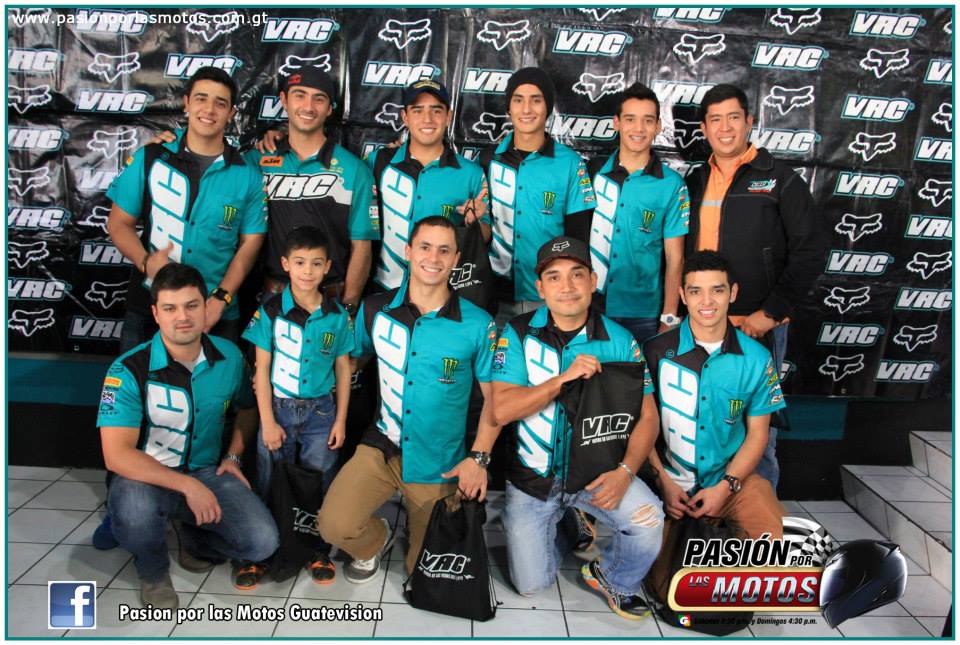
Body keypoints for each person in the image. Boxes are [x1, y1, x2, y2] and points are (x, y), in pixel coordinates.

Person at [317, 216, 500, 582]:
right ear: (408, 251)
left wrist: (479, 459)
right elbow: (353, 360)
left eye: (444, 250)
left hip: (440, 460)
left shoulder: (479, 324)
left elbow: (496, 401)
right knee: (334, 526)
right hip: (383, 447)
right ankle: (379, 539)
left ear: (456, 259)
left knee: (425, 575)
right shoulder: (375, 309)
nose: (433, 258)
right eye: (425, 247)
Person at [490, 236, 664, 620]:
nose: (566, 286)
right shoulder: (516, 333)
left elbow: (648, 418)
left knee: (649, 519)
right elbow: (502, 410)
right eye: (554, 277)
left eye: (577, 275)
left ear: (593, 281)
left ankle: (612, 577)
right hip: (534, 480)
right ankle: (570, 526)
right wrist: (561, 380)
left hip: (596, 476)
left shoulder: (621, 341)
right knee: (531, 585)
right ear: (540, 287)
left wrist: (626, 472)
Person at [96, 263, 278, 609]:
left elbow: (248, 408)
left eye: (191, 305)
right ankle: (152, 571)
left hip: (207, 471)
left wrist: (234, 456)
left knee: (262, 543)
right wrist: (188, 487)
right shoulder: (127, 369)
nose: (182, 317)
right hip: (146, 475)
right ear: (156, 313)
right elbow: (116, 456)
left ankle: (193, 535)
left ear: (206, 307)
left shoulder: (229, 355)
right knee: (134, 514)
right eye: (170, 308)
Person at [684, 83, 826, 489]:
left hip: (756, 327)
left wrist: (771, 312)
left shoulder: (780, 179)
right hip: (701, 326)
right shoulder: (695, 181)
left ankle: (757, 522)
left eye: (733, 117)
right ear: (704, 128)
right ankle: (707, 514)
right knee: (701, 423)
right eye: (715, 120)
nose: (725, 128)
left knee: (758, 432)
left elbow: (811, 249)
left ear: (749, 121)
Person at [642, 250, 786, 601]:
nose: (706, 301)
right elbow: (639, 427)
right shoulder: (654, 351)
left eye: (717, 290)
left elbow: (758, 435)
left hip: (730, 480)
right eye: (696, 291)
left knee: (770, 545)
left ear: (732, 293)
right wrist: (663, 482)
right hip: (669, 485)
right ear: (682, 295)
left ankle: (728, 565)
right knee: (666, 588)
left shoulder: (757, 358)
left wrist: (726, 487)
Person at [106, 66, 267, 348]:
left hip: (215, 313)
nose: (209, 109)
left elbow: (251, 243)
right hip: (150, 307)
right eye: (201, 98)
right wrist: (146, 262)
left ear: (231, 113)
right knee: (139, 378)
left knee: (218, 379)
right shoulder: (151, 156)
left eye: (220, 103)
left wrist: (222, 298)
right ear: (187, 103)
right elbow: (118, 224)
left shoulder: (248, 175)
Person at [240, 226, 353, 586]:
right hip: (278, 410)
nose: (308, 271)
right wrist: (267, 421)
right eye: (300, 262)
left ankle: (315, 549)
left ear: (327, 267)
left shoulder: (337, 315)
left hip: (322, 413)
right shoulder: (269, 311)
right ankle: (261, 553)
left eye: (316, 263)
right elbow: (261, 370)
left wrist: (341, 420)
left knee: (318, 482)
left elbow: (343, 369)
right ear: (286, 264)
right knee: (268, 479)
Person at [247, 68, 379, 315]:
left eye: (319, 98)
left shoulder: (355, 170)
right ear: (284, 100)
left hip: (331, 301)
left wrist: (349, 308)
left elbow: (362, 246)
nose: (308, 106)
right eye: (300, 95)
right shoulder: (257, 161)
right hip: (273, 299)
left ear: (329, 108)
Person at [479, 67, 596, 322]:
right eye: (518, 100)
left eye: (536, 100)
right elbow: (480, 229)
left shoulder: (570, 163)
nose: (526, 109)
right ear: (509, 108)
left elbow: (578, 238)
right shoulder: (489, 159)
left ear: (548, 107)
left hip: (550, 299)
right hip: (494, 297)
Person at [367, 79, 490, 291]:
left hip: (441, 292)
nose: (427, 119)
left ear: (448, 116)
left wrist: (475, 222)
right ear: (405, 117)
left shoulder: (472, 173)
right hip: (383, 288)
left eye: (436, 111)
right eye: (418, 110)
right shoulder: (377, 162)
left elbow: (485, 236)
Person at [588, 82, 688, 344]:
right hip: (589, 307)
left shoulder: (671, 185)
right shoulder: (592, 173)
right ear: (617, 123)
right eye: (630, 119)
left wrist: (669, 317)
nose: (639, 128)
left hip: (643, 314)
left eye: (648, 120)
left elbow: (675, 258)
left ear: (658, 126)